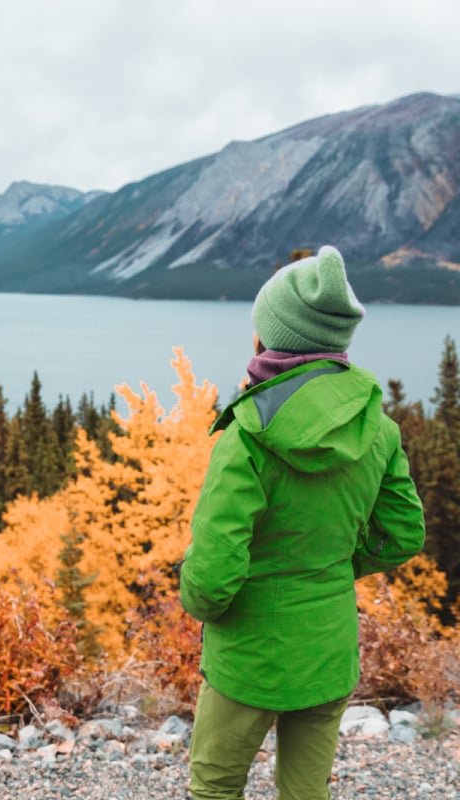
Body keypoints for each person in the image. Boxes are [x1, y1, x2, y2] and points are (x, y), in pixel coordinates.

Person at [179, 245, 425, 800]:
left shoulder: (247, 435)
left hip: (250, 657)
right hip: (328, 650)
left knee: (215, 787)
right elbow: (404, 535)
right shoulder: (379, 429)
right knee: (306, 793)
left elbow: (212, 579)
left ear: (272, 335)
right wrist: (333, 569)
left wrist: (196, 600)